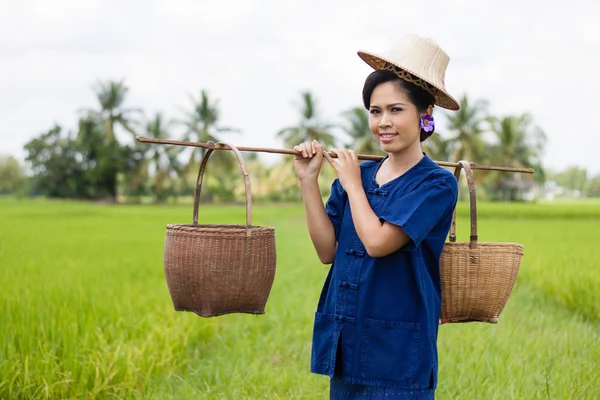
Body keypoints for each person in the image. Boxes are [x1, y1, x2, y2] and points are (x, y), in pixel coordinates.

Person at [292, 34, 461, 399]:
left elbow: (378, 243)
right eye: (375, 111)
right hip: (348, 337)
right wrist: (309, 182)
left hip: (400, 351)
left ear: (425, 115)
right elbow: (327, 251)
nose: (383, 122)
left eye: (396, 110)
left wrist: (352, 185)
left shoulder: (436, 184)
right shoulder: (361, 176)